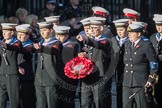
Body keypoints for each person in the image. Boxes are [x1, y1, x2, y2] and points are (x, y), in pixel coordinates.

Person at [76, 17, 112, 108]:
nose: (92, 30)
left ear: (101, 28)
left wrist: (86, 39)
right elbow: (92, 55)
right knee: (85, 103)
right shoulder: (90, 41)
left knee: (99, 102)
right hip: (87, 76)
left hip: (99, 76)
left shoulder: (105, 40)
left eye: (95, 28)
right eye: (90, 28)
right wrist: (84, 55)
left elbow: (99, 45)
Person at [123, 23, 158, 108]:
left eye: (132, 33)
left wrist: (151, 79)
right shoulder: (127, 44)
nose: (129, 35)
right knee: (126, 105)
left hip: (140, 83)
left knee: (141, 105)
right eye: (129, 32)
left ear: (139, 34)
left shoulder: (146, 45)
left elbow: (153, 63)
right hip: (127, 82)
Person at [33, 22, 63, 108]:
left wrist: (41, 48)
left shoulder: (57, 43)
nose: (42, 32)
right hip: (39, 79)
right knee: (40, 105)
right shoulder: (39, 42)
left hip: (51, 79)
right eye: (40, 30)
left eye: (44, 30)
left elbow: (54, 50)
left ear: (51, 30)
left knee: (52, 104)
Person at [54, 26, 80, 108]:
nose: (58, 38)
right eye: (57, 35)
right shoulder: (55, 45)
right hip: (57, 76)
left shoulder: (72, 45)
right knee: (58, 101)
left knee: (68, 101)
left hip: (68, 78)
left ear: (66, 36)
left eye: (61, 36)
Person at [0, 23, 23, 108]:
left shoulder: (17, 43)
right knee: (1, 100)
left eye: (6, 31)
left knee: (14, 100)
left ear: (12, 33)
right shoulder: (2, 42)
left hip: (12, 73)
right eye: (3, 31)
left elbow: (14, 48)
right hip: (2, 73)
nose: (4, 33)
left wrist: (2, 44)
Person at [15, 24, 36, 108]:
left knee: (27, 98)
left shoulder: (29, 45)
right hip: (15, 74)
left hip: (26, 75)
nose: (19, 36)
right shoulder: (14, 43)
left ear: (27, 35)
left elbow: (26, 51)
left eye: (22, 34)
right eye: (18, 34)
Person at [111, 18, 129, 108]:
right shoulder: (113, 40)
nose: (119, 32)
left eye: (121, 30)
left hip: (128, 70)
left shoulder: (130, 40)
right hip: (118, 70)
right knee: (118, 91)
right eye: (118, 30)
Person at [150, 15, 162, 108]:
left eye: (161, 25)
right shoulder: (153, 37)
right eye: (157, 25)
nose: (158, 27)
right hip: (156, 70)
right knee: (156, 93)